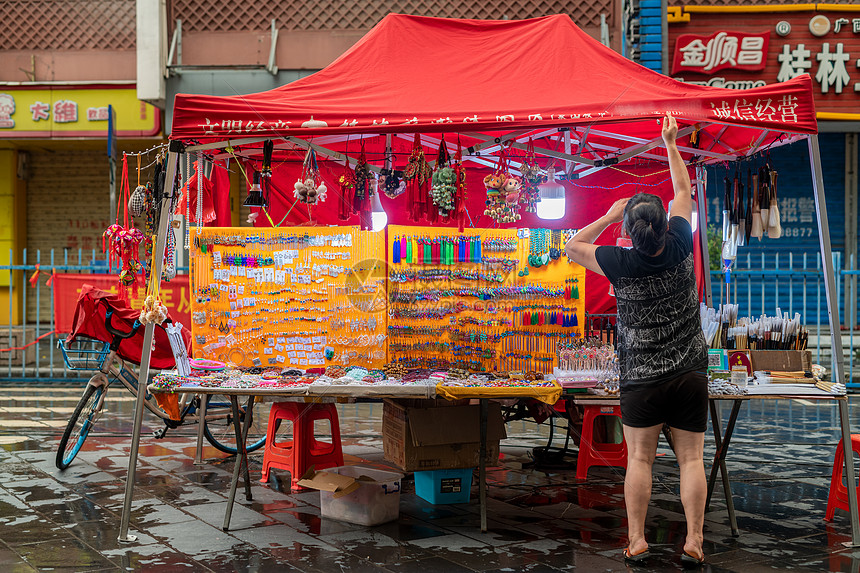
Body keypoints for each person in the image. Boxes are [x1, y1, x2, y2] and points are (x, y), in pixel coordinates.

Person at [565, 114, 708, 568]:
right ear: (665, 225)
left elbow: (571, 246)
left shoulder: (618, 262)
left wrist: (609, 214)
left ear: (630, 232)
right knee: (690, 460)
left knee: (640, 459)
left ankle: (637, 540)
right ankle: (694, 542)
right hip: (688, 372)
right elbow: (684, 192)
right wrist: (669, 142)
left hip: (641, 378)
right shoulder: (683, 241)